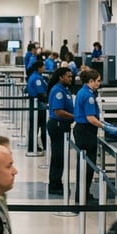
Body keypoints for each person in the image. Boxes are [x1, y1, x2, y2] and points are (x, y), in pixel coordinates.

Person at [73, 68, 105, 199]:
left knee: (85, 165)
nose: (99, 83)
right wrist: (105, 126)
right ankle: (82, 195)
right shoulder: (88, 96)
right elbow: (90, 118)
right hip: (86, 131)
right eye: (97, 81)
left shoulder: (84, 92)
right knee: (88, 165)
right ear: (90, 81)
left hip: (83, 130)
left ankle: (82, 194)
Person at [45, 67, 75, 196]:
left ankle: (57, 182)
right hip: (58, 125)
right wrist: (75, 117)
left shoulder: (65, 90)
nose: (71, 79)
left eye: (71, 76)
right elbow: (58, 111)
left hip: (63, 125)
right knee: (58, 156)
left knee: (61, 156)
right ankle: (54, 185)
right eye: (68, 76)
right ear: (61, 77)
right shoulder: (58, 91)